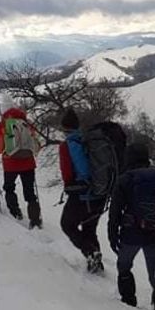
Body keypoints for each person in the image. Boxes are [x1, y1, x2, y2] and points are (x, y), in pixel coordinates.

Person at [108, 141, 155, 310]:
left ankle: (128, 300)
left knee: (124, 265)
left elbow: (115, 210)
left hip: (131, 232)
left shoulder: (125, 179)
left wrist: (112, 233)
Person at [58, 108, 106, 273]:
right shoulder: (88, 140)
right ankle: (96, 262)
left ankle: (90, 252)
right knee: (89, 228)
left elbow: (67, 173)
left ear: (64, 128)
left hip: (81, 195)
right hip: (100, 193)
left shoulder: (66, 146)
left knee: (67, 225)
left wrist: (70, 186)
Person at [0, 104, 42, 229]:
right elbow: (36, 144)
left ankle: (15, 212)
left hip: (10, 164)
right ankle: (35, 220)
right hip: (28, 163)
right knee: (30, 191)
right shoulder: (27, 123)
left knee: (9, 187)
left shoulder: (2, 125)